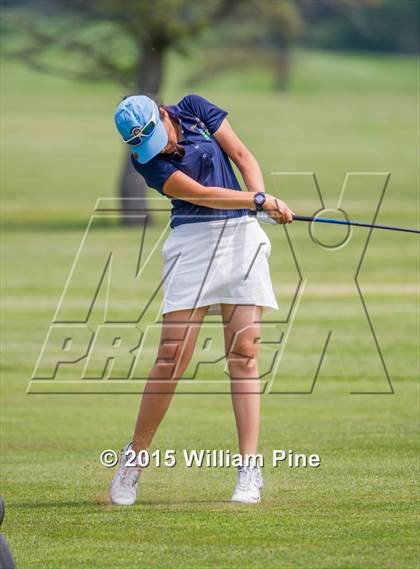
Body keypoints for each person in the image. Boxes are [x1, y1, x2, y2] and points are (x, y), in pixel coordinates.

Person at [110, 93, 294, 505]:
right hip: (192, 243)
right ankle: (134, 460)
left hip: (240, 239)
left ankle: (249, 469)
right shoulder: (146, 162)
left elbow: (242, 155)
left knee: (245, 352)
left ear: (162, 113)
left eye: (157, 136)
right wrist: (259, 201)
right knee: (172, 356)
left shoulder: (193, 108)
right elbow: (200, 193)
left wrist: (259, 199)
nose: (160, 149)